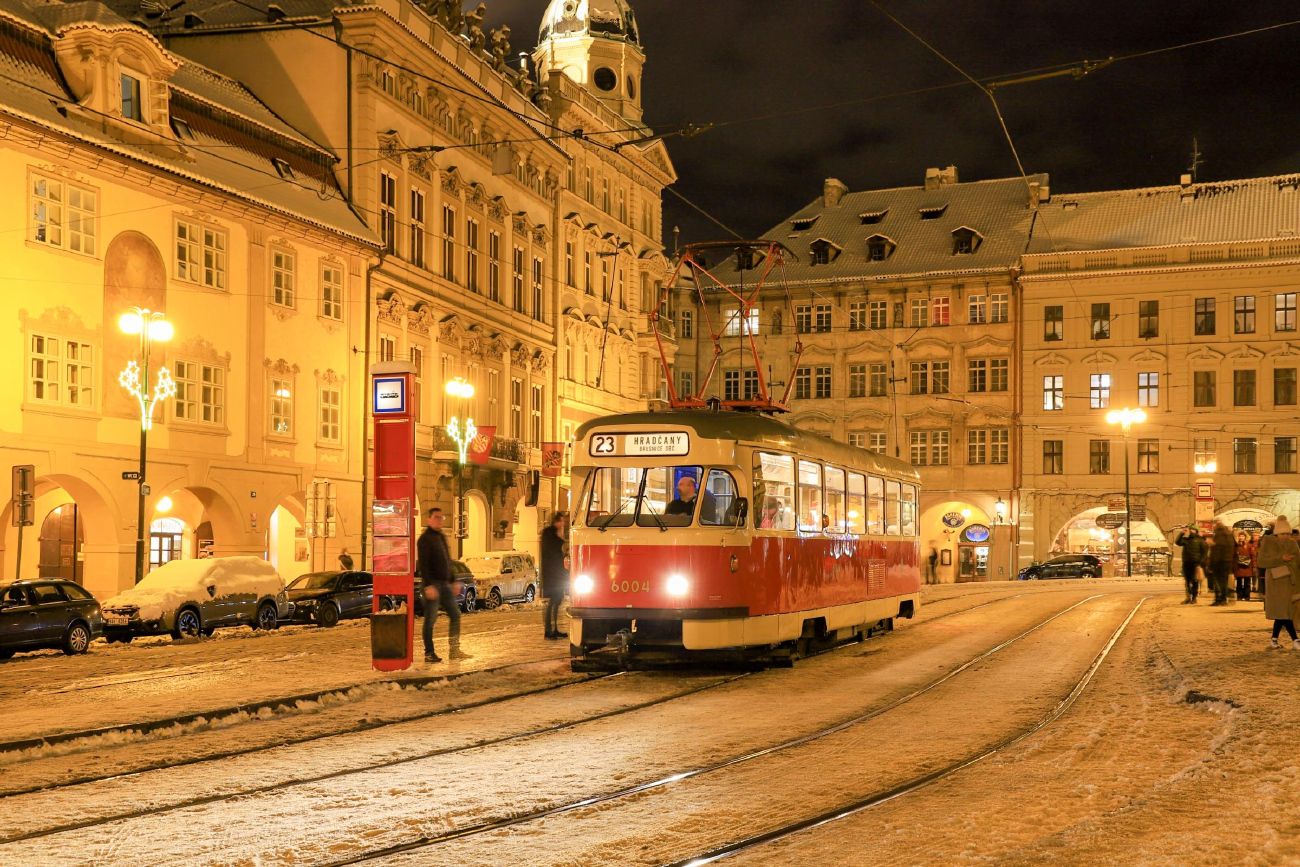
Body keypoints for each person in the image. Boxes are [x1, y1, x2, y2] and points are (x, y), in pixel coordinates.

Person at [417, 507, 471, 663]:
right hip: (432, 584)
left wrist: (453, 580)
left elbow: (447, 560)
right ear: (429, 519)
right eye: (436, 517)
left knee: (455, 614)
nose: (439, 520)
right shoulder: (424, 539)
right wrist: (428, 585)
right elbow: (424, 564)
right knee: (430, 619)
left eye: (442, 517)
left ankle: (454, 649)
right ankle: (429, 652)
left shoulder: (441, 536)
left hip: (445, 584)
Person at [1256, 516, 1300, 649]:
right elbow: (1261, 562)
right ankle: (1296, 640)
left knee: (1284, 612)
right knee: (1284, 611)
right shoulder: (1268, 542)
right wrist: (1281, 558)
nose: (1285, 536)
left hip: (1291, 581)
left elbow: (1298, 562)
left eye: (1287, 533)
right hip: (1276, 581)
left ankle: (1274, 640)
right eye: (1283, 533)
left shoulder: (1293, 543)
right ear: (1276, 533)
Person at [540, 512, 568, 640]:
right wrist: (560, 538)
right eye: (561, 521)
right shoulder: (549, 533)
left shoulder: (553, 533)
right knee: (552, 603)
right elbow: (553, 552)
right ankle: (549, 630)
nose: (563, 524)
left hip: (556, 573)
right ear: (556, 521)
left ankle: (554, 628)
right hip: (552, 575)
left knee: (557, 602)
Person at [1175, 526, 1208, 604]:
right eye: (1190, 529)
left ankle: (1194, 597)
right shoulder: (1186, 540)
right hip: (1186, 563)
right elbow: (1177, 542)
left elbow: (1204, 553)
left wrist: (1200, 563)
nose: (1191, 531)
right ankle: (1188, 597)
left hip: (1196, 564)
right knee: (1187, 581)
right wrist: (1182, 533)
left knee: (1195, 581)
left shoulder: (1200, 541)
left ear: (1196, 531)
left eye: (1193, 529)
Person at [1207, 523, 1234, 606]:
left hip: (1218, 562)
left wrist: (1212, 544)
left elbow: (1217, 550)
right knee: (1224, 581)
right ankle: (1224, 598)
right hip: (1227, 561)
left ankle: (1219, 599)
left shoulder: (1218, 535)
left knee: (1218, 581)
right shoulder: (1229, 536)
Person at [1234, 532, 1257, 602]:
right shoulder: (1236, 546)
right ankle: (1239, 596)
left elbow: (1253, 556)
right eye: (1240, 536)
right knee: (1239, 582)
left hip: (1247, 566)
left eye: (1242, 536)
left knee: (1247, 582)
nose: (1241, 537)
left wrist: (1254, 566)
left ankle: (1247, 596)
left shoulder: (1249, 546)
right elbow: (1233, 557)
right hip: (1239, 566)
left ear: (1245, 537)